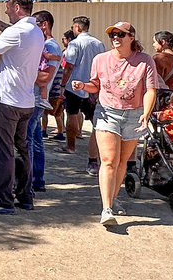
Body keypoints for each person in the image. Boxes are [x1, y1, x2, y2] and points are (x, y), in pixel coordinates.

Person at [68, 20, 160, 228]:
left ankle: (114, 196)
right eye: (112, 35)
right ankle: (106, 209)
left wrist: (146, 114)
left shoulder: (145, 60)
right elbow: (95, 85)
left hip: (134, 114)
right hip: (107, 112)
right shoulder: (100, 59)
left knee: (121, 162)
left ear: (131, 37)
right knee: (109, 160)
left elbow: (150, 90)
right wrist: (83, 85)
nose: (115, 38)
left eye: (120, 34)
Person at [0, 0, 45, 214]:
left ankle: (4, 200)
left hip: (7, 100)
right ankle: (25, 196)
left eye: (7, 7)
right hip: (25, 100)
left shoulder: (16, 32)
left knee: (3, 151)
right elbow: (10, 35)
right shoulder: (35, 31)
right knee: (21, 149)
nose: (6, 11)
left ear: (16, 7)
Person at [62, 16, 106, 173]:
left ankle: (71, 145)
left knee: (72, 114)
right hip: (93, 86)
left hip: (75, 84)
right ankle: (96, 151)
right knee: (95, 120)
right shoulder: (99, 44)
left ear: (78, 27)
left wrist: (62, 84)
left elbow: (69, 66)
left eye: (73, 27)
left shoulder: (75, 44)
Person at [27, 10, 64, 192]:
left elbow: (44, 78)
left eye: (35, 25)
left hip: (35, 100)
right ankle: (36, 180)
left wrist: (24, 72)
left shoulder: (49, 46)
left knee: (29, 141)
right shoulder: (45, 44)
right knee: (34, 141)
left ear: (44, 24)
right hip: (34, 98)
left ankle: (30, 181)